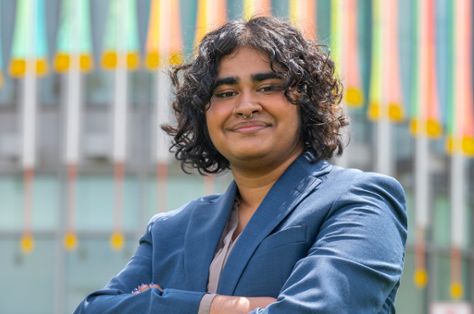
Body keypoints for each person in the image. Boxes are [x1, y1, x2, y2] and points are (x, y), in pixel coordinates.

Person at [74, 16, 407, 314]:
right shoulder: (170, 231)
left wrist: (161, 302)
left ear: (306, 102)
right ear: (202, 115)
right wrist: (215, 307)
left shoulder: (361, 201)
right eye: (225, 93)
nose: (246, 106)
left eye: (268, 87)